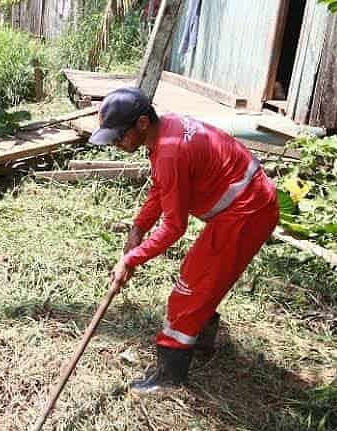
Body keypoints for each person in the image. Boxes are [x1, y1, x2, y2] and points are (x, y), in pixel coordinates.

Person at [90, 87, 279, 394]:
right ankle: (201, 338)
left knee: (188, 290)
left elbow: (174, 227)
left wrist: (131, 258)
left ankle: (169, 375)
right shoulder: (166, 130)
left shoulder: (170, 150)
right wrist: (138, 229)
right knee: (202, 277)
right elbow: (162, 187)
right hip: (245, 203)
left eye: (118, 135)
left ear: (141, 124)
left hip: (247, 210)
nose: (114, 142)